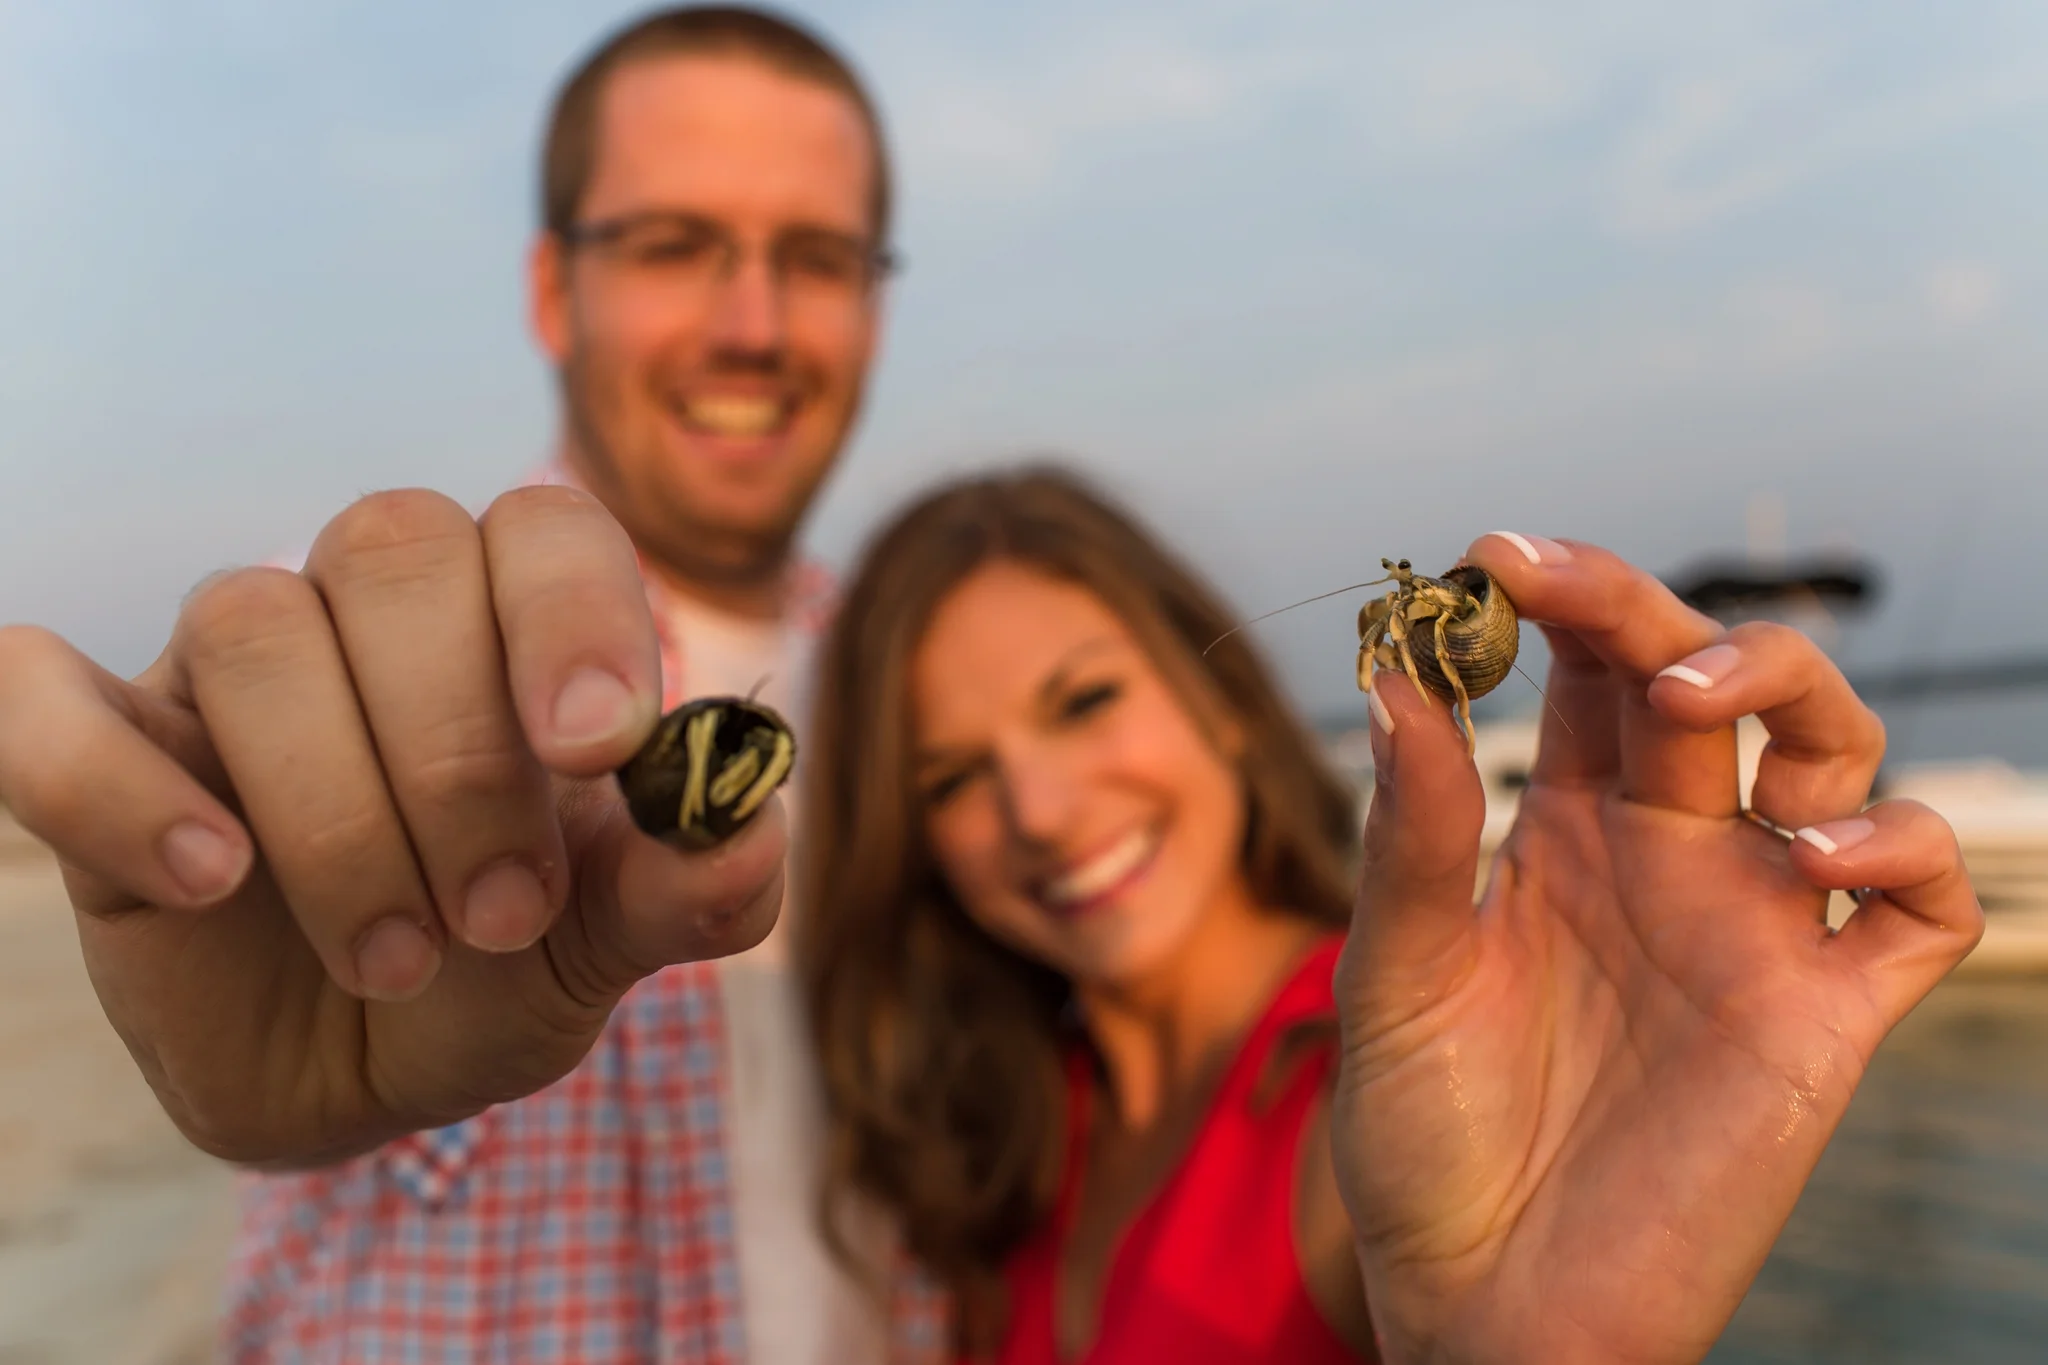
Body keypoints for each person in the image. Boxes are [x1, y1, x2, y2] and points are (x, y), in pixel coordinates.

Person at [0, 7, 931, 1363]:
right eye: (674, 245)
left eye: (817, 256)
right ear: (554, 290)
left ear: (873, 303)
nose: (754, 321)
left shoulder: (947, 709)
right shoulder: (338, 660)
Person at [792, 464, 1985, 1363]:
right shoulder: (1002, 1129)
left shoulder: (1397, 1082)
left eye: (1085, 701)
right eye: (945, 776)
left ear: (1220, 699)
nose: (1040, 812)